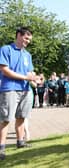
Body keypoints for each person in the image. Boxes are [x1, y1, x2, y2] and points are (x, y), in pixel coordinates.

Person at [0, 27, 36, 160]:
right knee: (5, 119)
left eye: (29, 39)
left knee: (21, 117)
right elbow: (5, 70)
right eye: (26, 38)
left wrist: (35, 78)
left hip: (25, 90)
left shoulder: (27, 55)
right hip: (9, 88)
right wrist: (26, 78)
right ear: (18, 35)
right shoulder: (6, 49)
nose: (28, 41)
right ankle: (1, 148)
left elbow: (29, 72)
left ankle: (20, 142)